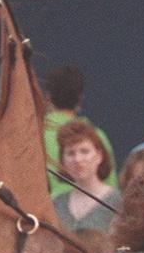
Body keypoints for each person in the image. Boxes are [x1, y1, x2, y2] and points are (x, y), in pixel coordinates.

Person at [43, 65, 117, 199]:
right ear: (80, 97)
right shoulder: (97, 136)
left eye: (84, 152)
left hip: (42, 215)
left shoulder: (34, 135)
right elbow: (111, 190)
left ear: (48, 97)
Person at [52, 120, 122, 235]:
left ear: (99, 156)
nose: (77, 159)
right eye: (70, 153)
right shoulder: (56, 204)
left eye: (84, 151)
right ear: (63, 160)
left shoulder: (118, 202)